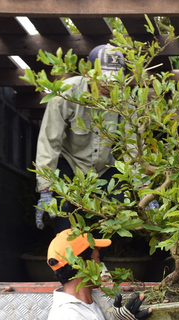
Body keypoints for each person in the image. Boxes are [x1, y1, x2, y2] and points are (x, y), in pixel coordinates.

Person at [35, 44, 125, 234]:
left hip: (103, 169)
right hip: (70, 165)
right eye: (104, 81)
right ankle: (68, 263)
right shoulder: (65, 93)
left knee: (110, 223)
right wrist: (45, 189)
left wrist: (147, 191)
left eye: (114, 82)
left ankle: (98, 262)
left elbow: (133, 147)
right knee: (66, 224)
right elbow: (49, 142)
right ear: (90, 73)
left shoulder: (125, 101)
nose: (109, 87)